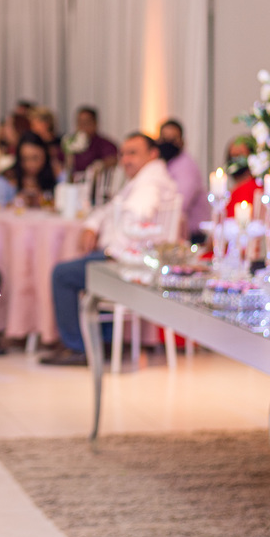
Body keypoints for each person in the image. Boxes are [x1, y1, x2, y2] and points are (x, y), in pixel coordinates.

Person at [40, 132, 179, 366]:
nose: (125, 160)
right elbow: (110, 209)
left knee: (62, 274)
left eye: (133, 153)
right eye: (123, 154)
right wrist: (92, 226)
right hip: (133, 260)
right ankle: (102, 342)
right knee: (77, 268)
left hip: (126, 263)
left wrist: (108, 248)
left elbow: (137, 215)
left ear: (153, 154)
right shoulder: (145, 178)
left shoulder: (150, 183)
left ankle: (78, 347)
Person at [158, 119, 210, 242]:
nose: (168, 144)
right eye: (164, 139)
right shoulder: (167, 163)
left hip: (194, 235)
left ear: (182, 141)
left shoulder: (186, 167)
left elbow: (180, 203)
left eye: (173, 139)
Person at [0, 132, 58, 208]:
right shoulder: (6, 179)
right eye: (25, 159)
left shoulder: (55, 175)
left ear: (45, 155)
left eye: (35, 158)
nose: (30, 164)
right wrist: (15, 202)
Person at [64, 105, 118, 177]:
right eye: (79, 123)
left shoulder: (103, 143)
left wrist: (101, 165)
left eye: (86, 123)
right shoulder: (71, 143)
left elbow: (113, 158)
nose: (82, 127)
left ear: (95, 123)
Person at [225, 134, 261, 217]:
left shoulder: (250, 189)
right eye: (232, 155)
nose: (235, 160)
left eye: (240, 155)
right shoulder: (235, 190)